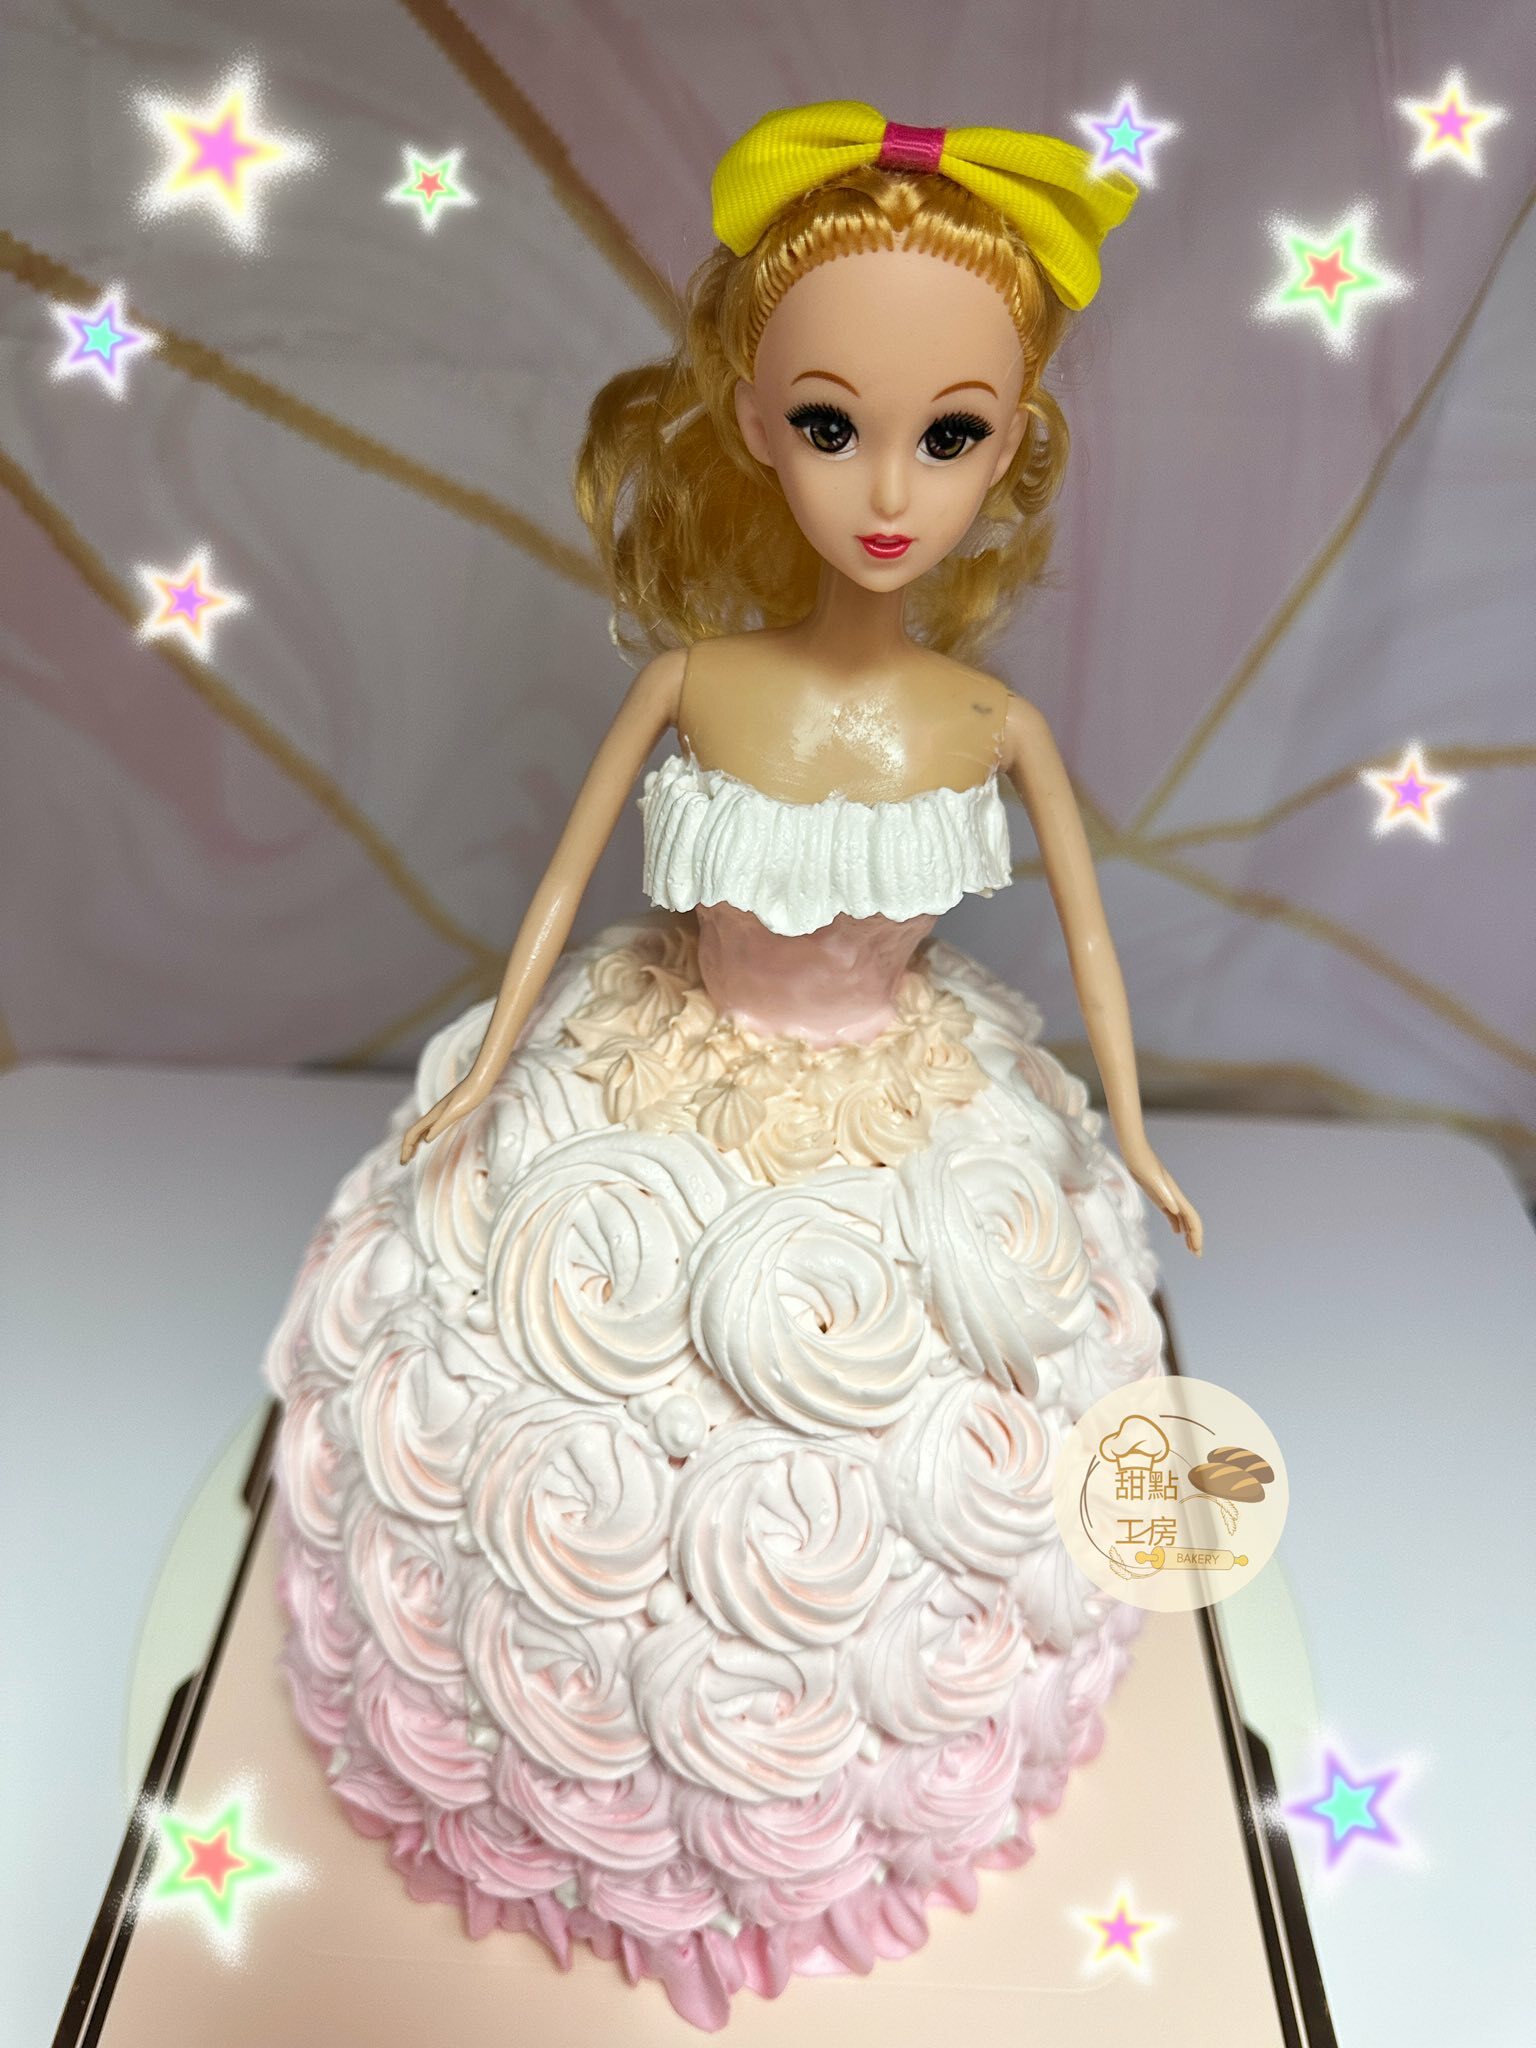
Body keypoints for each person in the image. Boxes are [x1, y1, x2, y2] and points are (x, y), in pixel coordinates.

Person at [269, 102, 1194, 2028]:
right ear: (757, 422)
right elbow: (555, 894)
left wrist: (1131, 1133)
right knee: (515, 1398)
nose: (890, 487)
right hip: (645, 1090)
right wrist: (489, 1073)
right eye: (834, 423)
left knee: (962, 1443)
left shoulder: (992, 721)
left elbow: (1095, 947)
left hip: (912, 1115)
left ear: (1014, 445)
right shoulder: (694, 679)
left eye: (952, 434)